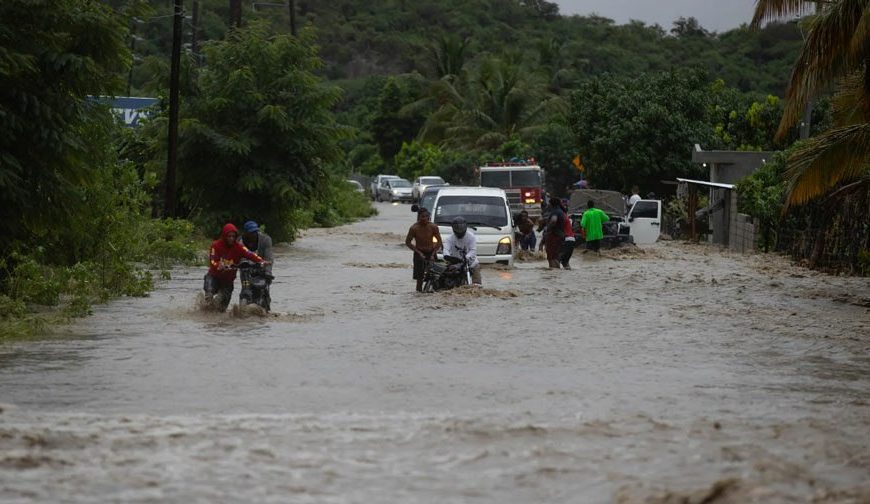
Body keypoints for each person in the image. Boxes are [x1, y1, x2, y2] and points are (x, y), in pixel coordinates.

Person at [204, 223, 267, 311]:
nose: (231, 238)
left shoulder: (239, 247)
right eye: (229, 236)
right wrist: (218, 265)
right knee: (209, 296)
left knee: (221, 309)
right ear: (224, 236)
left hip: (228, 281)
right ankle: (204, 313)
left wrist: (261, 261)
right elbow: (212, 260)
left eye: (233, 236)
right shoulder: (216, 245)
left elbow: (250, 254)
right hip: (214, 277)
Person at [405, 207, 442, 292]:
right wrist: (419, 252)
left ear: (428, 217)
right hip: (419, 253)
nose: (424, 218)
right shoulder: (414, 228)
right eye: (422, 216)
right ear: (419, 217)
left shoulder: (433, 227)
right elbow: (407, 242)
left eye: (426, 216)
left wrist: (433, 254)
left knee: (435, 276)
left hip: (431, 252)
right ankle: (419, 295)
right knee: (419, 279)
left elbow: (439, 242)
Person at [442, 216, 482, 285]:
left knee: (477, 279)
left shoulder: (471, 237)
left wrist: (467, 257)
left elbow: (473, 250)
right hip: (455, 262)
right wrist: (447, 256)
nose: (460, 232)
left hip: (470, 262)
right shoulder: (449, 239)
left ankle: (477, 287)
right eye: (457, 230)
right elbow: (446, 249)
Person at [544, 196, 566, 269]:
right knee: (555, 256)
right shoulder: (561, 211)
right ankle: (556, 272)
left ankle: (554, 271)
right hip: (560, 235)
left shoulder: (555, 211)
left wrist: (548, 228)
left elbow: (553, 220)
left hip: (554, 235)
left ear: (551, 204)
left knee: (551, 256)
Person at [559, 201, 576, 269]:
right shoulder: (568, 219)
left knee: (557, 260)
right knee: (565, 262)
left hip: (566, 240)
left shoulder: (562, 218)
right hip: (572, 240)